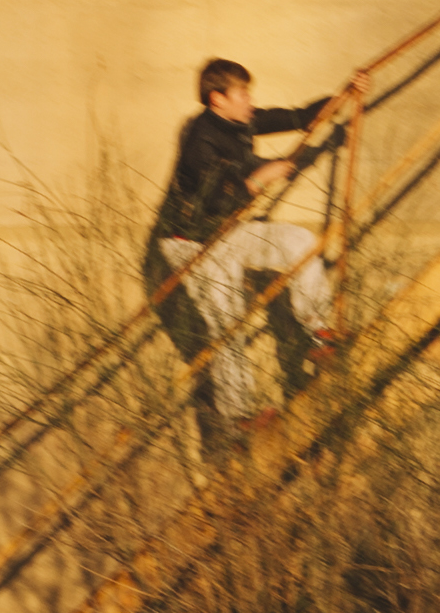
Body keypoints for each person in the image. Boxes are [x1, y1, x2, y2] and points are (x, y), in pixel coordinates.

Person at [144, 56, 340, 447]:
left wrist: (340, 98)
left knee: (296, 242)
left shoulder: (240, 122)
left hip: (226, 232)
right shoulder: (199, 140)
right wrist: (257, 178)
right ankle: (238, 418)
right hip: (191, 244)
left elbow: (297, 117)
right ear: (218, 98)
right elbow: (214, 196)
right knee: (227, 321)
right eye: (243, 93)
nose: (250, 100)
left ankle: (318, 331)